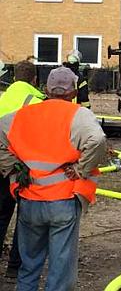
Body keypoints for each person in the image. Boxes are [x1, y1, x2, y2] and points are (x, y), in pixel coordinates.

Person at [0, 67, 107, 291]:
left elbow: (1, 134)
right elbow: (97, 140)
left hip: (29, 199)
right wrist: (80, 169)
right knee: (60, 268)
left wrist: (12, 170)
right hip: (64, 200)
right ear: (73, 92)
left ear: (46, 90)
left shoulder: (27, 113)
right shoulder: (78, 115)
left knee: (28, 267)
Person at [0, 61, 45, 278]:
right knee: (24, 217)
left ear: (14, 77)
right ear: (34, 79)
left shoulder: (3, 97)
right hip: (22, 166)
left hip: (1, 162)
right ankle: (14, 267)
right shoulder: (37, 102)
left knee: (0, 214)